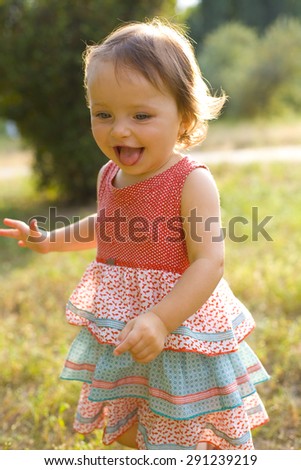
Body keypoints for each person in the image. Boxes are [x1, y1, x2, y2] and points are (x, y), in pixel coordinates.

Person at [0, 18, 270, 450]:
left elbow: (209, 262)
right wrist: (52, 241)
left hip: (178, 324)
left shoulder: (190, 181)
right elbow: (108, 225)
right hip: (125, 318)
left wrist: (162, 320)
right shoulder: (111, 172)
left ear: (183, 116)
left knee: (181, 418)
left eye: (141, 115)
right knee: (129, 413)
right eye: (103, 114)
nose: (119, 129)